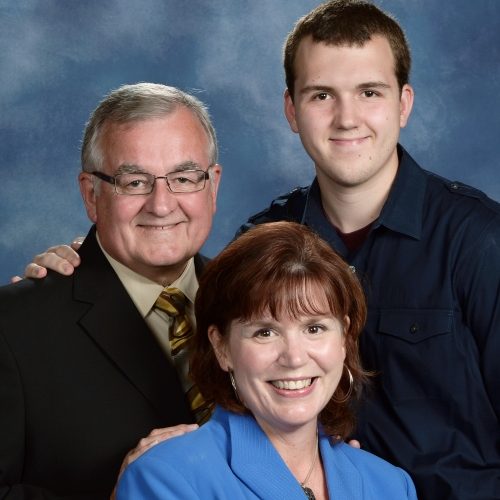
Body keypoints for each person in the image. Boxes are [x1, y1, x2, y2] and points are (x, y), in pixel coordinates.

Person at [16, 1, 500, 498]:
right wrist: (89, 261)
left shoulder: (481, 242)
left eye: (369, 92)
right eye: (320, 95)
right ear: (291, 109)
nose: (346, 117)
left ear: (403, 103)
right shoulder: (265, 238)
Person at [0, 83, 222, 498]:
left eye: (184, 177)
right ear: (91, 194)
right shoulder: (12, 328)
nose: (161, 204)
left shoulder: (255, 305)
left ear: (212, 185)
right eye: (134, 181)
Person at [115, 221, 417, 499]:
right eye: (265, 332)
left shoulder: (390, 485)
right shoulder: (166, 478)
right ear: (222, 348)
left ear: (344, 339)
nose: (295, 357)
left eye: (314, 328)